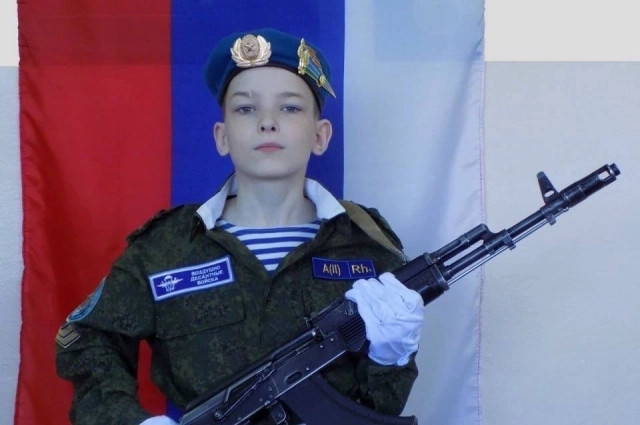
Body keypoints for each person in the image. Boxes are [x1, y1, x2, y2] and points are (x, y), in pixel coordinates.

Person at [55, 28, 426, 425]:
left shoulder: (366, 245)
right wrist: (133, 422)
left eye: (290, 108)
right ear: (222, 137)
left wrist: (391, 359)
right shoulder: (166, 247)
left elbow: (380, 408)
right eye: (246, 109)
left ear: (320, 136)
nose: (267, 122)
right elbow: (84, 339)